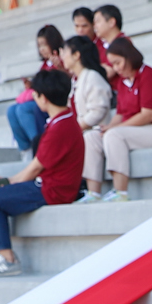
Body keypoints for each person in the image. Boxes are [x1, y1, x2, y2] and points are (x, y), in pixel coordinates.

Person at [0, 68, 81, 276]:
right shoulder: (65, 120)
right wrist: (9, 182)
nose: (34, 98)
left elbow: (35, 168)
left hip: (53, 190)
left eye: (36, 95)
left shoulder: (59, 127)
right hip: (52, 184)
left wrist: (9, 182)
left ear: (44, 98)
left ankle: (6, 258)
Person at [95, 35, 152, 203]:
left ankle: (120, 192)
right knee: (92, 136)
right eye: (113, 64)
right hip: (134, 130)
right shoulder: (123, 81)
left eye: (118, 63)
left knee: (114, 135)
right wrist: (108, 127)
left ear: (128, 57)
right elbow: (120, 113)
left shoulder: (149, 76)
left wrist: (115, 129)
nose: (116, 68)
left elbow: (148, 115)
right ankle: (93, 193)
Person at [57, 34, 114, 199]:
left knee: (87, 139)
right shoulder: (77, 79)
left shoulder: (92, 77)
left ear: (77, 55)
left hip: (96, 131)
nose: (62, 57)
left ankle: (93, 192)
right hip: (81, 131)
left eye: (65, 52)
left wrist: (76, 129)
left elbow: (98, 111)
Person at [5, 24, 63, 162]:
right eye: (39, 46)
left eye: (44, 45)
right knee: (11, 110)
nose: (42, 49)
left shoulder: (62, 60)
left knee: (23, 109)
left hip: (54, 103)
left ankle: (39, 146)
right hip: (42, 100)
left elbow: (64, 82)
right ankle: (26, 149)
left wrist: (61, 68)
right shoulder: (44, 65)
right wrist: (32, 86)